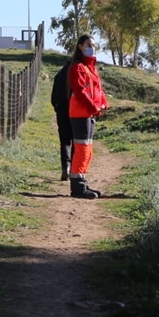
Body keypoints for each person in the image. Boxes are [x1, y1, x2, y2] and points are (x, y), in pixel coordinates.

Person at [67, 35, 107, 199]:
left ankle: (82, 180)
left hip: (89, 113)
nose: (92, 48)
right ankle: (77, 187)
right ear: (80, 46)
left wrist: (104, 102)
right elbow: (80, 92)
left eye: (94, 45)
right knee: (82, 149)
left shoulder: (91, 68)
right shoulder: (77, 68)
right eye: (89, 45)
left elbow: (98, 89)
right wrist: (93, 107)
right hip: (80, 113)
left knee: (88, 149)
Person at [51, 60, 73, 181]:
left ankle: (66, 167)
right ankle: (74, 169)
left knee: (65, 141)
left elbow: (53, 98)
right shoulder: (77, 72)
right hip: (76, 112)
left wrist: (57, 107)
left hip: (62, 111)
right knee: (76, 141)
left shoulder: (59, 75)